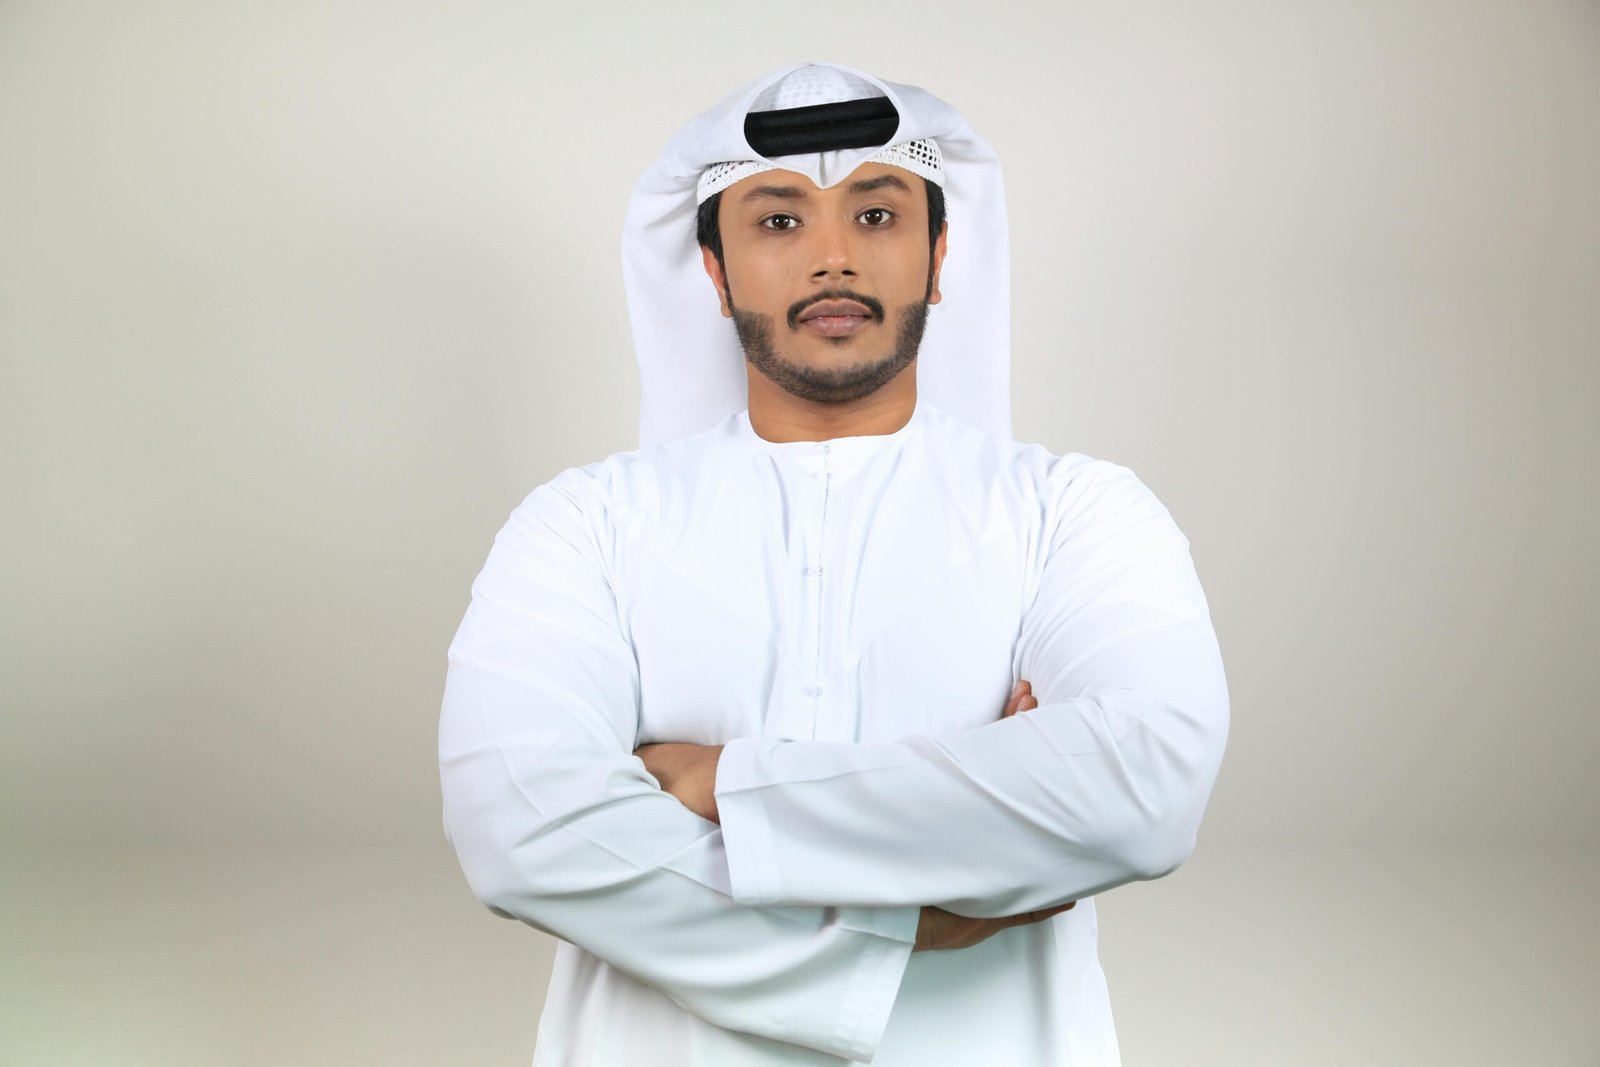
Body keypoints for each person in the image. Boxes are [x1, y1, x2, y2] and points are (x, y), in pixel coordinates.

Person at [438, 60, 1230, 1066]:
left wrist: (720, 781)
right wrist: (916, 902)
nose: (831, 259)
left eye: (876, 214)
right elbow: (519, 828)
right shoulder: (582, 524)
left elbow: (1145, 786)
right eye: (778, 220)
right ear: (715, 272)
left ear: (939, 256)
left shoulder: (1076, 512)